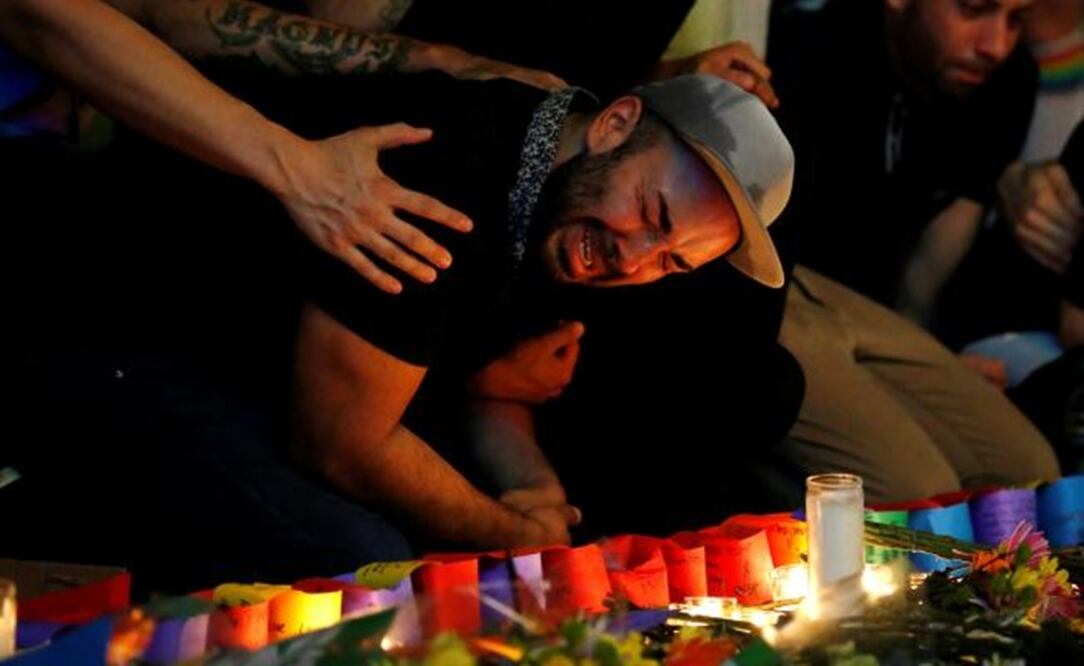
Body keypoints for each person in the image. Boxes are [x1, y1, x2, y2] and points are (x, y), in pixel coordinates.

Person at [761, 0, 1059, 503]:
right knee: (915, 490)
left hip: (873, 315)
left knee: (1024, 470)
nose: (996, 45)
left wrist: (928, 364)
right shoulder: (803, 53)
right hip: (774, 287)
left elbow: (929, 269)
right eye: (975, 10)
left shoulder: (1006, 79)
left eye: (1015, 19)